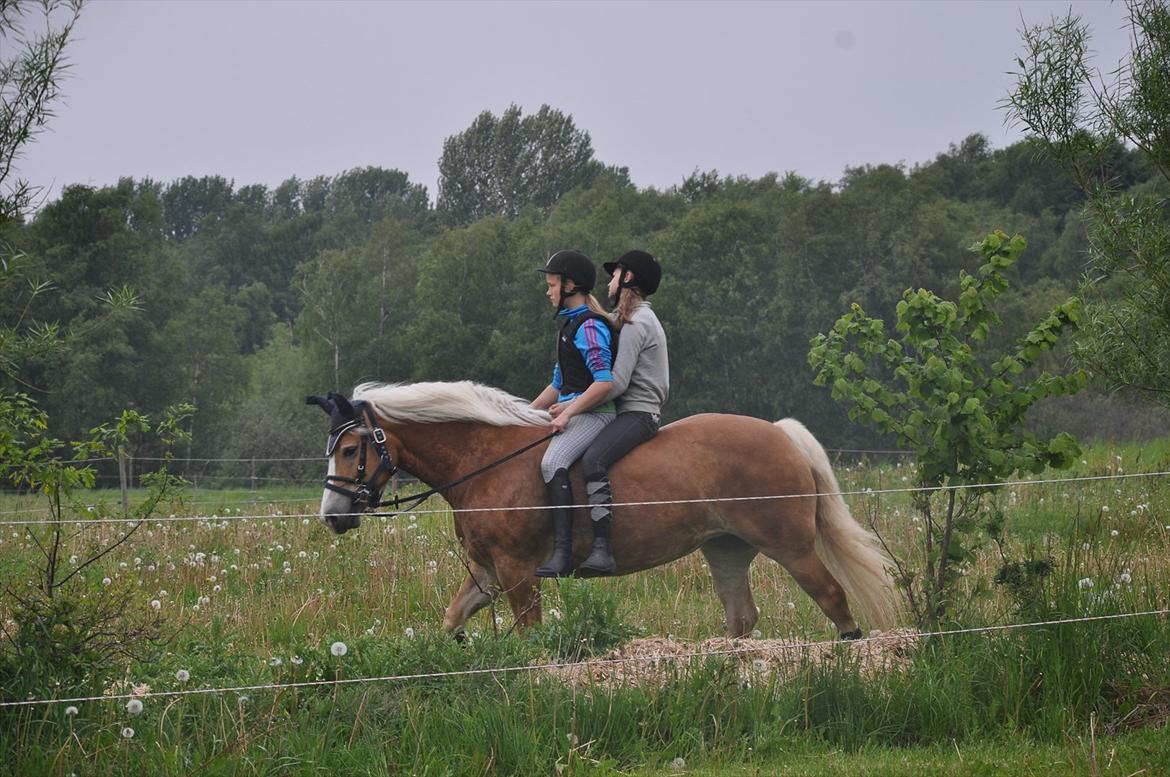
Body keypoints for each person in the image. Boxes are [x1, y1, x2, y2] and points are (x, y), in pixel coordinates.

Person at [563, 249, 669, 576]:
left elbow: (618, 383)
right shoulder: (626, 318)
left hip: (639, 414)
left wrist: (570, 406)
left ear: (627, 279)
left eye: (614, 275)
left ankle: (602, 547)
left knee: (594, 460)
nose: (608, 282)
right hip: (628, 411)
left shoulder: (638, 322)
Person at [530, 249, 617, 578]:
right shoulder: (569, 326)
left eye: (552, 285)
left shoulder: (590, 327)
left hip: (597, 414)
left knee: (552, 462)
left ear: (570, 287)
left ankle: (563, 552)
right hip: (576, 410)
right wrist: (524, 415)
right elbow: (557, 384)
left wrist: (567, 414)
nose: (548, 291)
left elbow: (603, 383)